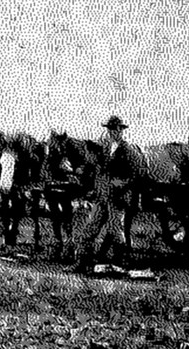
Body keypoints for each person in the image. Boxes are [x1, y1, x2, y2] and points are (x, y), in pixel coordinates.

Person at [78, 116, 138, 271]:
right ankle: (83, 263)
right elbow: (98, 171)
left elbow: (134, 175)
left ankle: (119, 264)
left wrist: (120, 183)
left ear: (121, 130)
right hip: (102, 197)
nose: (113, 132)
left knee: (115, 230)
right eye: (110, 129)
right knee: (90, 229)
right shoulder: (104, 148)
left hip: (117, 198)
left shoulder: (128, 150)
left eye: (116, 129)